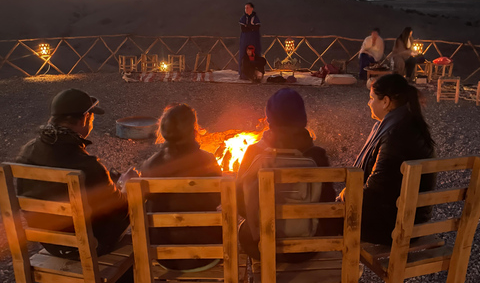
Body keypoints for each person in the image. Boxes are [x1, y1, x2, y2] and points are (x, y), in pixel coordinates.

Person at [16, 88, 138, 258]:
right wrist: (127, 187)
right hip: (89, 247)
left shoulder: (27, 151)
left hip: (50, 244)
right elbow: (121, 211)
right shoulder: (87, 165)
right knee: (137, 199)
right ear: (86, 118)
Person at [236, 88, 338, 260]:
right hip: (307, 247)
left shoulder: (254, 153)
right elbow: (326, 202)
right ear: (303, 119)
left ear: (269, 119)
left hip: (260, 246)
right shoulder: (316, 155)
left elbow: (240, 204)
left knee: (243, 229)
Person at [339, 74, 436, 245]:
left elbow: (376, 189)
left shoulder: (395, 134)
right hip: (412, 221)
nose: (369, 103)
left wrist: (344, 199)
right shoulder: (410, 123)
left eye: (372, 98)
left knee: (324, 218)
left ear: (386, 102)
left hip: (392, 227)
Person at [140, 104, 222, 271]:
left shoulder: (150, 165)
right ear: (194, 129)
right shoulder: (207, 161)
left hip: (163, 255)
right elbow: (218, 198)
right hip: (207, 254)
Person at [239, 2, 262, 79]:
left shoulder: (255, 18)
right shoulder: (243, 18)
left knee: (255, 53)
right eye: (245, 8)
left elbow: (256, 28)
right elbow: (243, 29)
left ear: (252, 8)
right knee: (243, 53)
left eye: (248, 8)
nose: (246, 9)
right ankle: (243, 73)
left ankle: (255, 72)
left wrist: (248, 27)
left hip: (254, 38)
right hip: (245, 38)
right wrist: (251, 27)